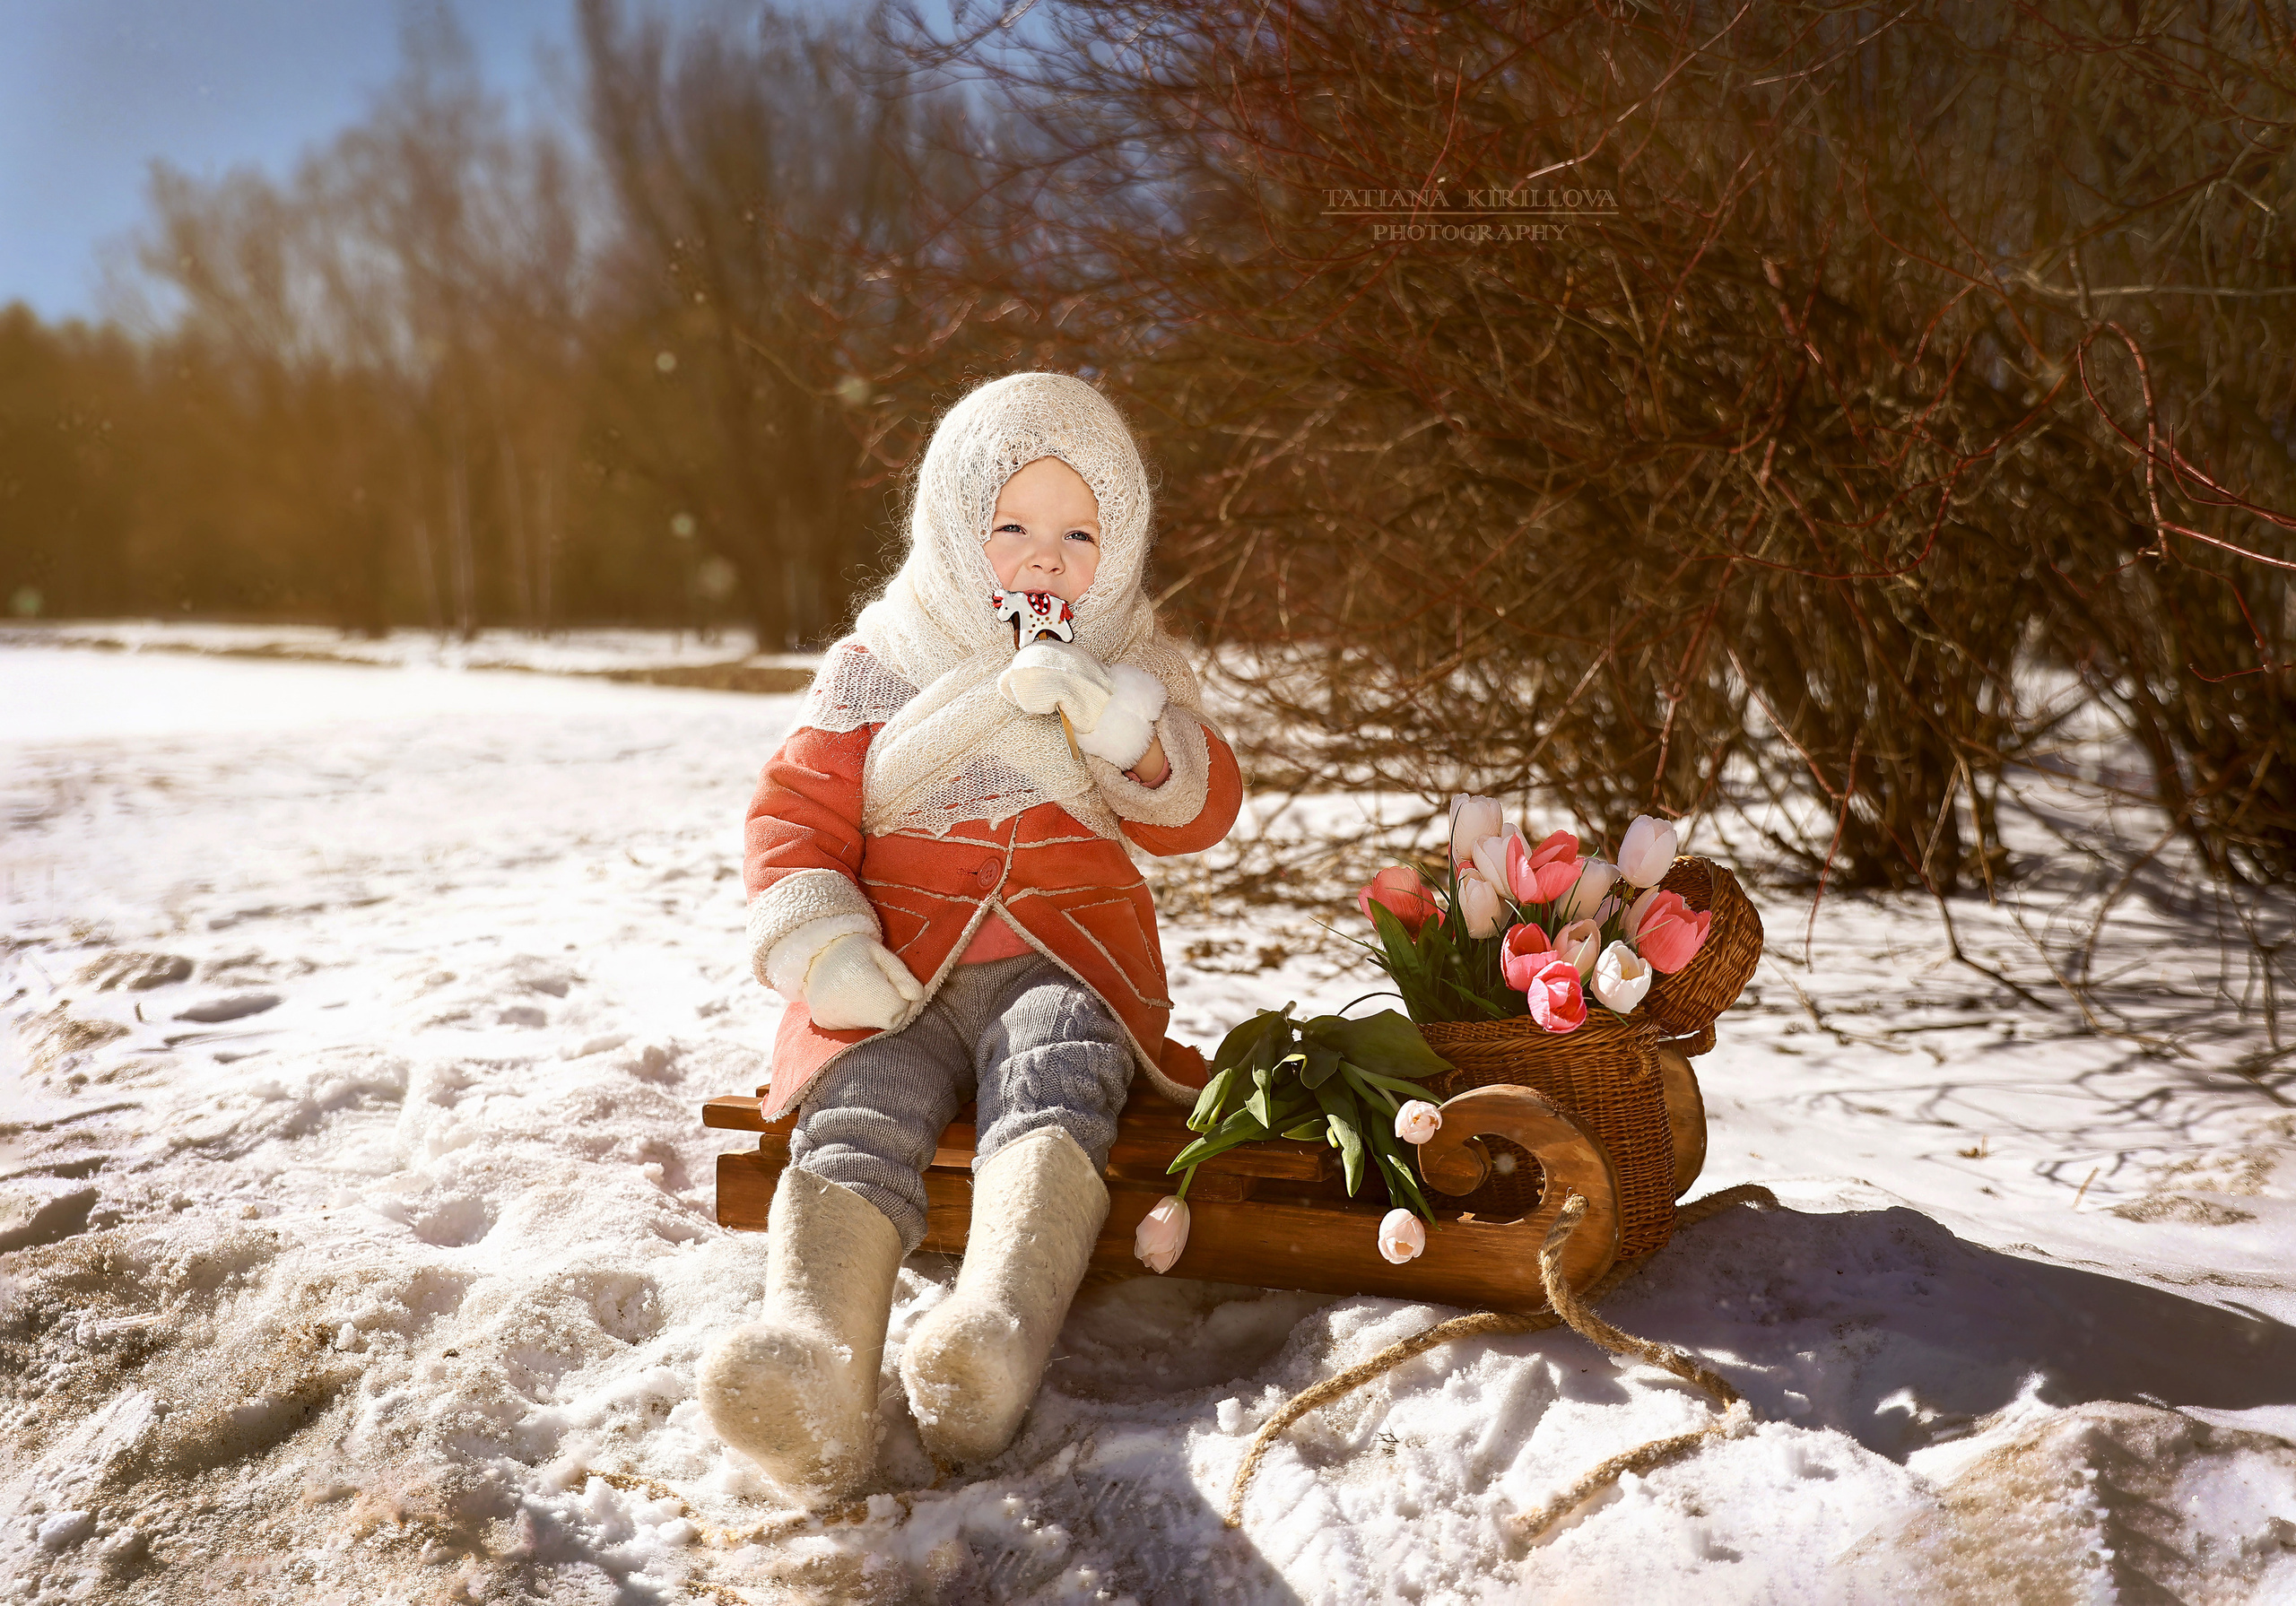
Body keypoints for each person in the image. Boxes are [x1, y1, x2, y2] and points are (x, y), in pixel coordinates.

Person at [699, 370, 1244, 1502]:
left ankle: (992, 1332)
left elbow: (1199, 811)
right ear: (952, 529)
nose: (1046, 559)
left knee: (1060, 1068)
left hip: (1062, 959)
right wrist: (823, 948)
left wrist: (1124, 730)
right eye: (1011, 527)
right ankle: (808, 1360)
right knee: (864, 1095)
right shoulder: (875, 665)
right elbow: (791, 815)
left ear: (1124, 541)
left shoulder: (1133, 661)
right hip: (896, 968)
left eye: (1080, 532)